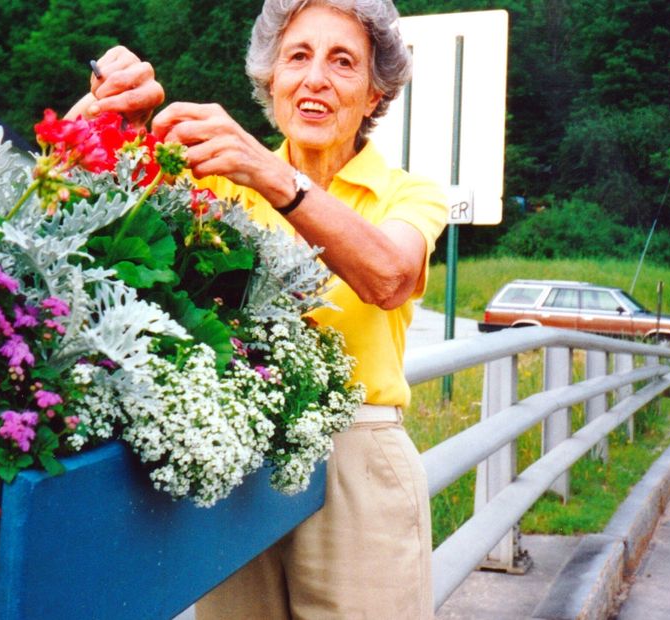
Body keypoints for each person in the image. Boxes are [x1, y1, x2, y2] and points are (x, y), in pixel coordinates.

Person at [70, 1, 446, 616]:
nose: (315, 78)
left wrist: (272, 177)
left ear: (376, 95)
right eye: (298, 56)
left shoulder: (408, 194)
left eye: (343, 61)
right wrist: (115, 109)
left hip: (358, 468)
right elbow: (92, 220)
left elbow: (389, 275)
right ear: (271, 79)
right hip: (236, 456)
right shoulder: (219, 180)